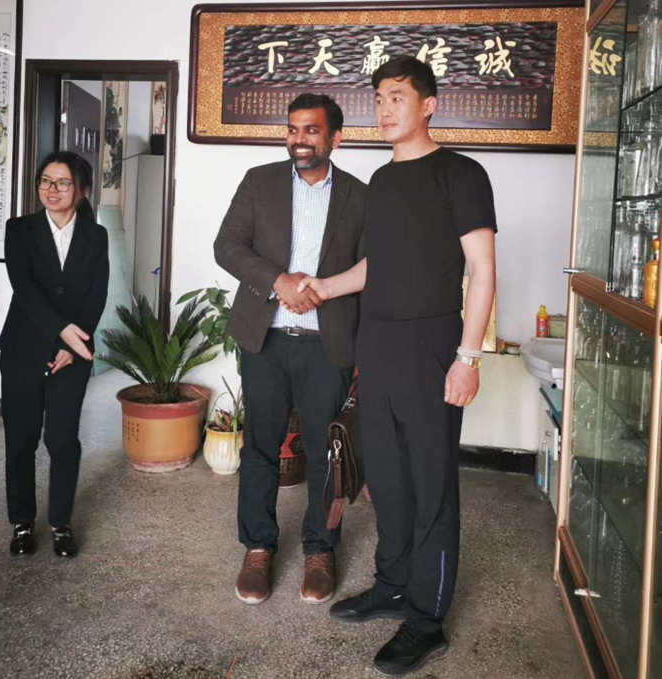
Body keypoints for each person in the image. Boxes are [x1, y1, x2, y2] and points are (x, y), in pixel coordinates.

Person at [295, 57, 497, 675]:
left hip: (432, 345)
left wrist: (468, 358)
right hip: (377, 344)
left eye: (398, 97)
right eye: (379, 98)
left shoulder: (461, 174)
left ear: (428, 105)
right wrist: (323, 288)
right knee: (385, 477)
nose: (385, 108)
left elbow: (482, 271)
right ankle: (392, 585)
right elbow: (374, 268)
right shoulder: (381, 182)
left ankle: (427, 619)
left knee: (431, 482)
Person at [213, 93, 366, 605]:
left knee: (326, 451)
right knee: (261, 447)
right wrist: (279, 281)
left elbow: (369, 270)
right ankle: (258, 547)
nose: (299, 140)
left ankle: (320, 549)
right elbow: (227, 246)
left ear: (335, 138)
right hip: (267, 338)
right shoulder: (259, 182)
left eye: (311, 130)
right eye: (293, 129)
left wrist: (322, 295)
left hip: (328, 343)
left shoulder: (360, 197)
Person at [0, 151, 109, 559]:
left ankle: (61, 523)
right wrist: (63, 334)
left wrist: (72, 347)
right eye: (45, 181)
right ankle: (22, 522)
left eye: (62, 183)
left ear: (81, 190)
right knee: (21, 439)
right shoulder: (20, 230)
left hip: (71, 355)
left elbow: (96, 296)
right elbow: (24, 289)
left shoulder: (96, 236)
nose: (52, 189)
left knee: (62, 440)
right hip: (22, 350)